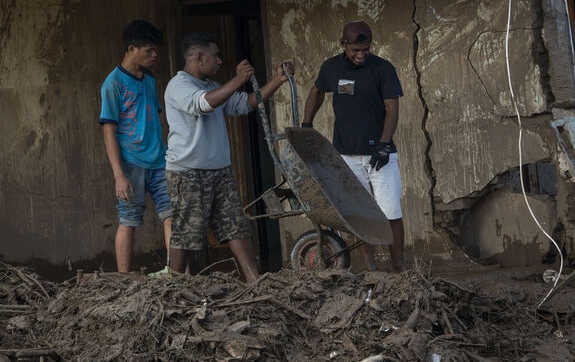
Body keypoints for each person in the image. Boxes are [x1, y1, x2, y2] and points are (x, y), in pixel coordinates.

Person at [164, 32, 295, 284]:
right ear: (198, 57)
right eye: (215, 55)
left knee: (236, 226)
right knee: (186, 232)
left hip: (219, 170)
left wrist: (278, 80)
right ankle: (175, 284)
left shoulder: (212, 86)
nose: (219, 61)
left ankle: (254, 281)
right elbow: (203, 105)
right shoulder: (179, 85)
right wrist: (238, 79)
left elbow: (245, 103)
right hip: (188, 171)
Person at [302, 20, 406, 272]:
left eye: (366, 50)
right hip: (346, 155)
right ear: (343, 45)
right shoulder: (331, 68)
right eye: (355, 50)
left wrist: (383, 144)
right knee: (360, 214)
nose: (361, 55)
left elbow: (392, 108)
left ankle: (399, 265)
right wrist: (307, 123)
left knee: (390, 211)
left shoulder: (383, 69)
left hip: (381, 155)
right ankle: (370, 266)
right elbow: (317, 91)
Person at [99, 19, 171, 274]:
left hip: (160, 161)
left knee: (172, 214)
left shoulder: (150, 80)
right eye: (148, 51)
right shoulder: (113, 83)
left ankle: (176, 273)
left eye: (155, 52)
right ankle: (124, 278)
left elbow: (155, 120)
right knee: (128, 219)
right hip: (131, 163)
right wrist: (119, 175)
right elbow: (109, 131)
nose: (154, 56)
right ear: (132, 49)